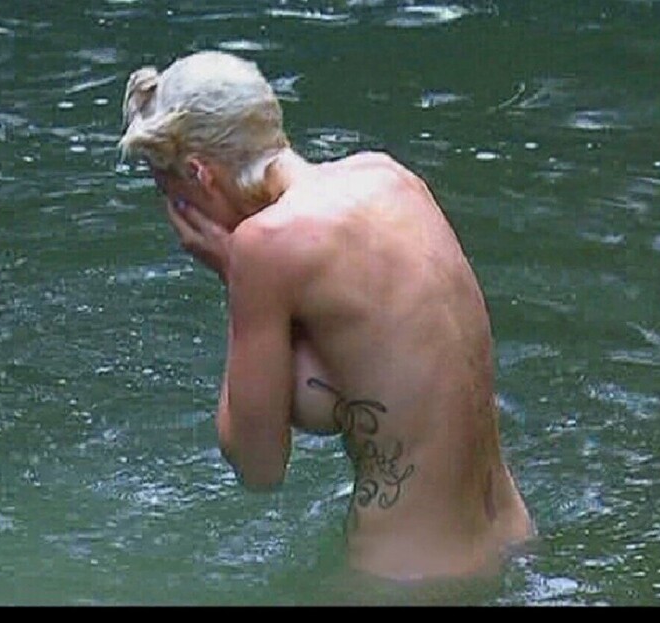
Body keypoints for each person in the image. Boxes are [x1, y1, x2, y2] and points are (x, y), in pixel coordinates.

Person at [118, 51, 534, 582]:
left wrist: (234, 272)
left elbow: (258, 467)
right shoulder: (387, 176)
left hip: (407, 578)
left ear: (201, 176)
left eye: (170, 194)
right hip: (513, 537)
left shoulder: (264, 246)